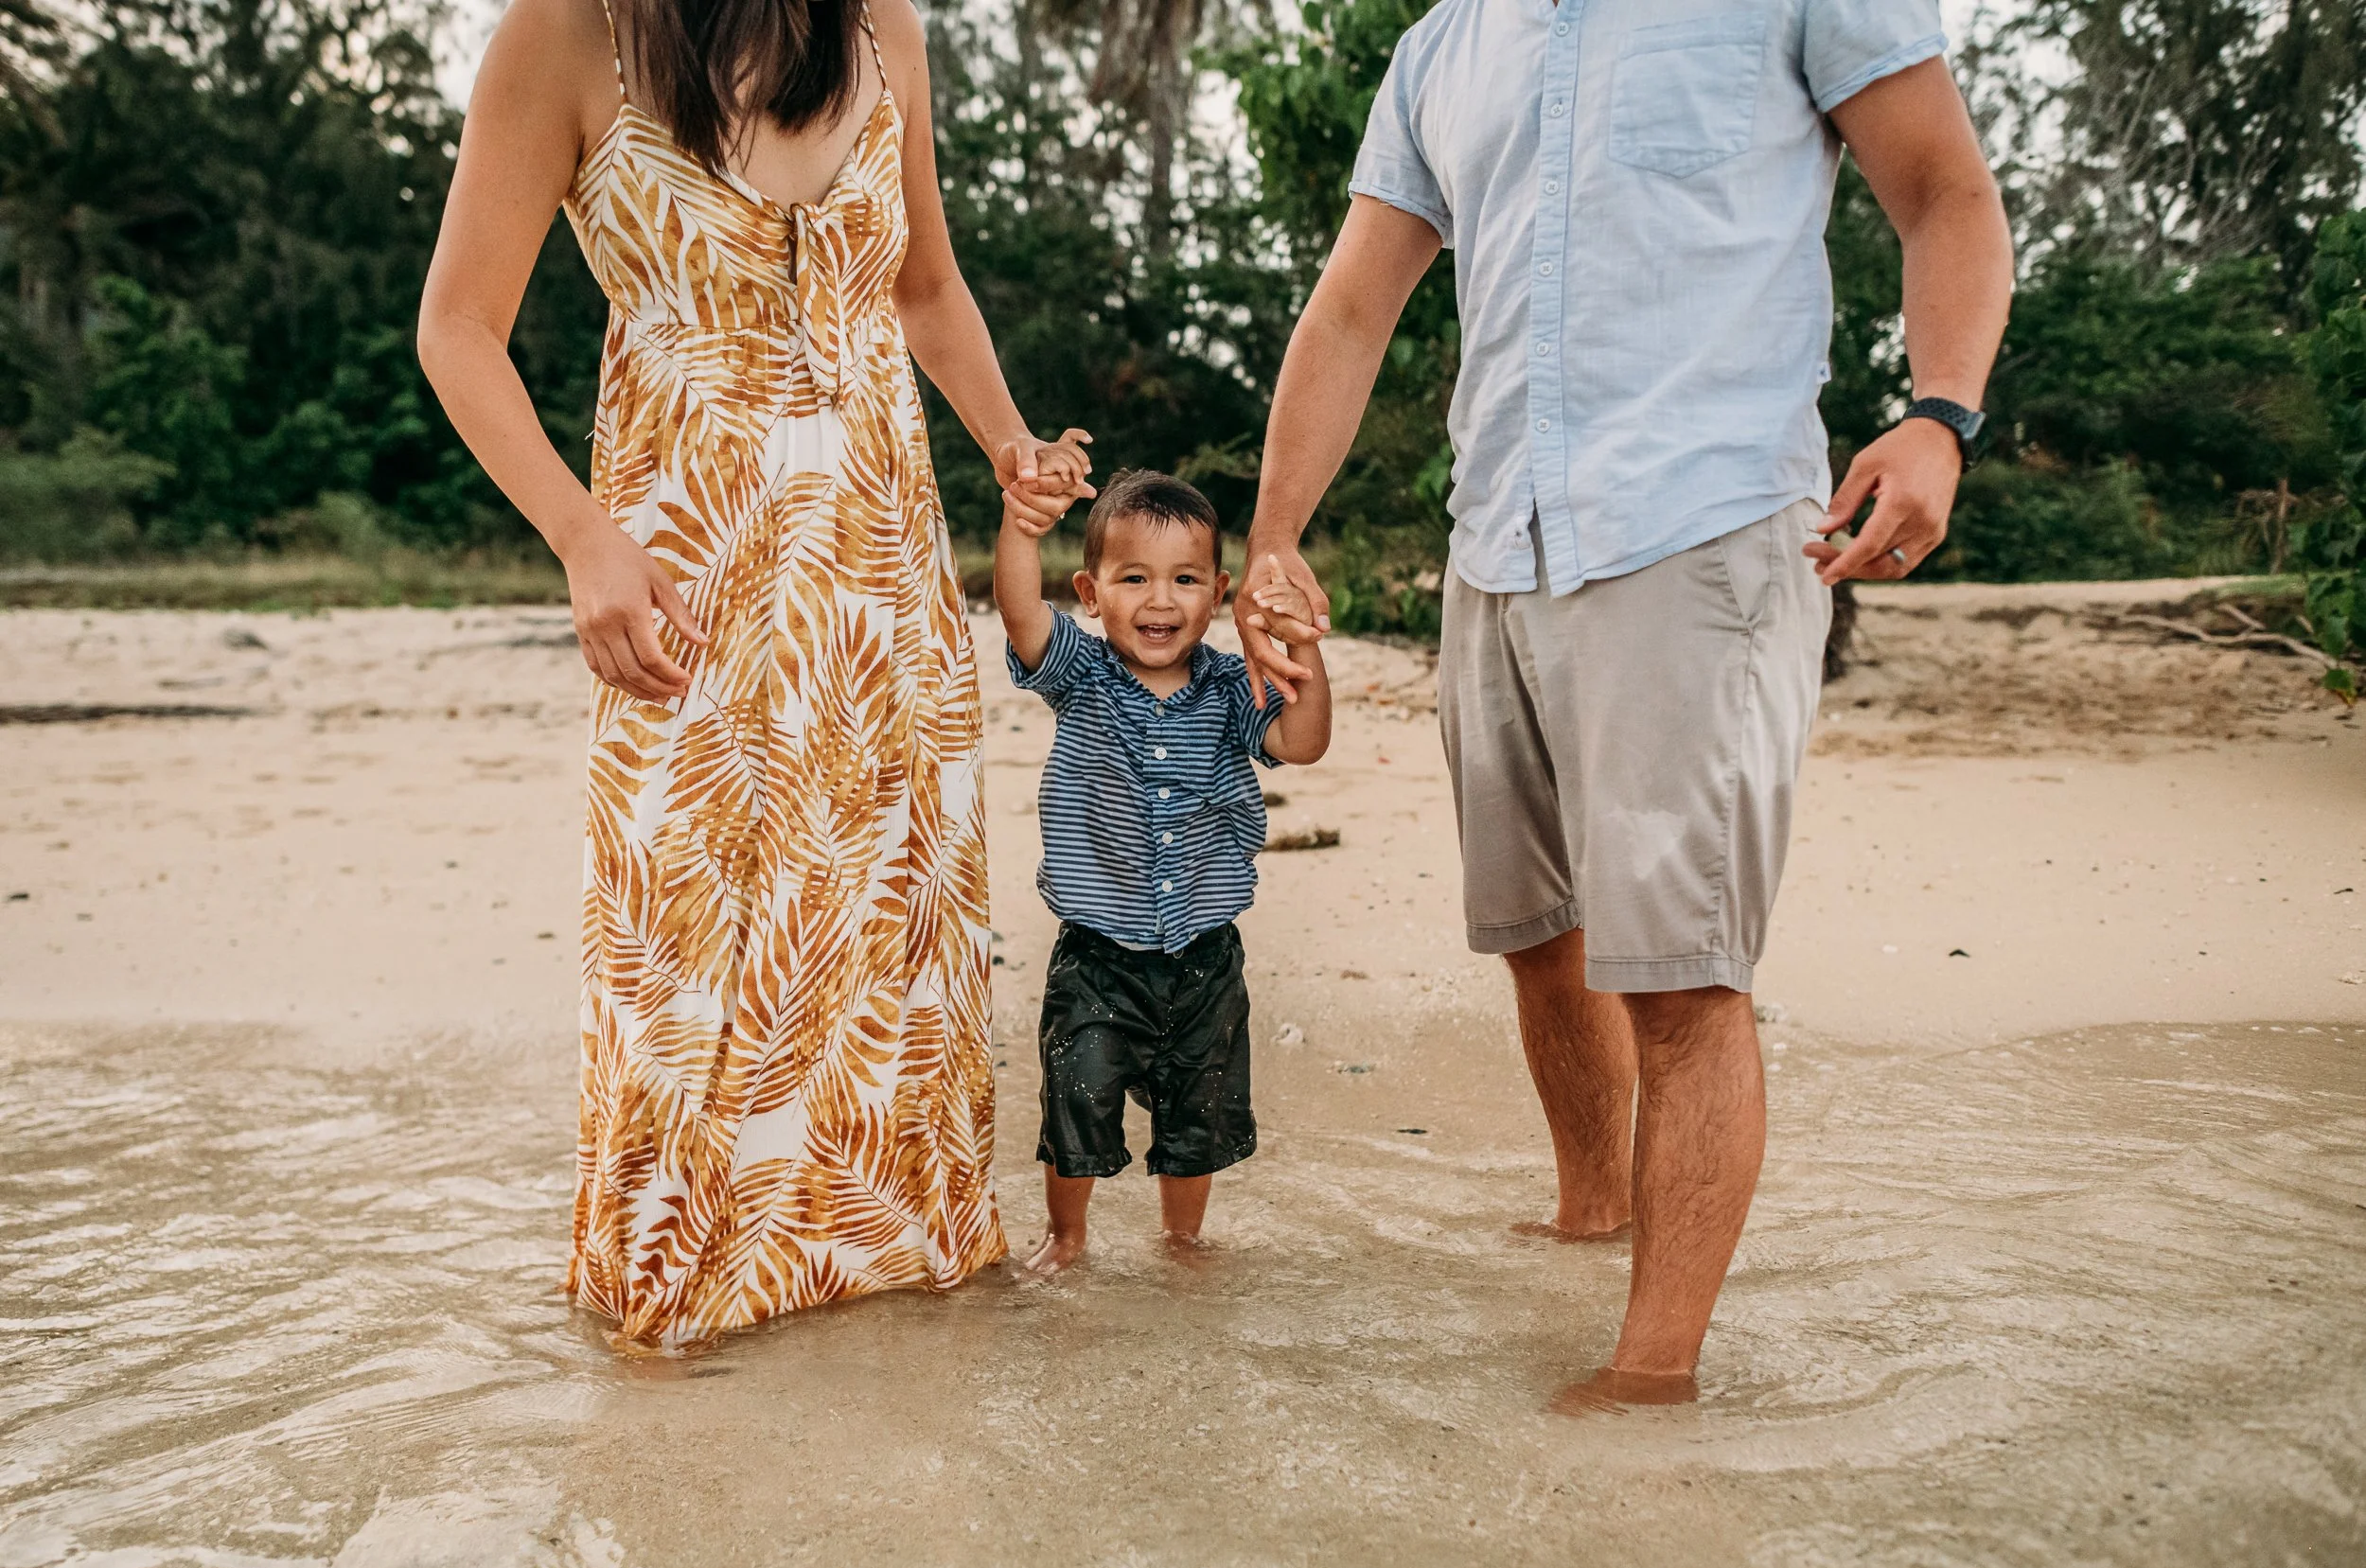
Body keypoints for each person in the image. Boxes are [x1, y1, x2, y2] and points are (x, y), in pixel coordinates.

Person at [1234, 1, 2013, 1402]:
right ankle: (1594, 1208)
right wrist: (1276, 531)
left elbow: (1945, 189)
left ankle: (1654, 1373)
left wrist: (1940, 414)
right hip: (1498, 543)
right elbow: (1355, 303)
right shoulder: (1442, 46)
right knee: (1538, 936)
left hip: (1702, 526)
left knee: (1684, 979)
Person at [415, 0, 1089, 1346]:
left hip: (883, 575)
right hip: (683, 581)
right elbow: (457, 328)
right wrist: (581, 537)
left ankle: (892, 1304)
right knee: (692, 951)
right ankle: (676, 1316)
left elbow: (922, 287)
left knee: (887, 935)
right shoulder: (566, 37)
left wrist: (1012, 443)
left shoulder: (881, 24)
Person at [995, 470, 1332, 1273]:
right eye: (1134, 577)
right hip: (1098, 954)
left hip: (1205, 954)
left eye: (1185, 579)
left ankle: (1183, 1239)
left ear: (1218, 593)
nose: (1161, 600)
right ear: (1091, 589)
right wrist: (1019, 530)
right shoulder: (1082, 673)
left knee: (1198, 1113)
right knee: (1077, 1094)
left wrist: (1303, 646)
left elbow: (1303, 742)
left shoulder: (1229, 685)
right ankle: (1066, 1236)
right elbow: (1020, 611)